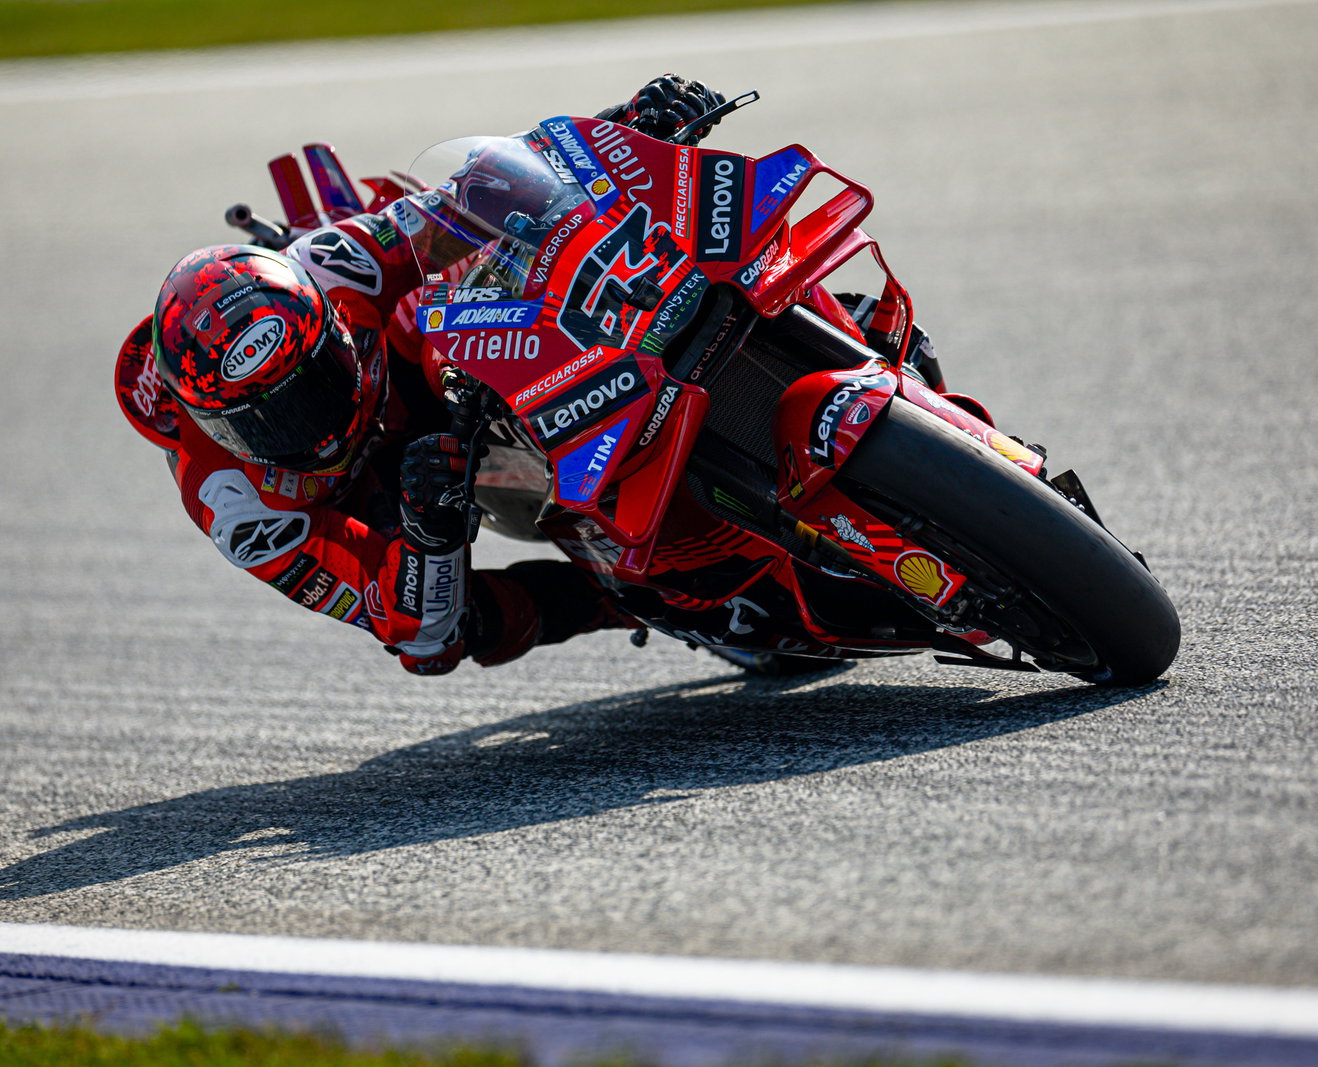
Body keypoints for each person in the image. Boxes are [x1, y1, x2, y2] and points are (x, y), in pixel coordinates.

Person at [114, 75, 943, 675]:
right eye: (271, 417)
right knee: (477, 622)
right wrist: (430, 535)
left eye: (316, 375)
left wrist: (626, 131)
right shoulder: (235, 502)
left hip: (448, 365)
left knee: (656, 253)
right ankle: (621, 595)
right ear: (212, 425)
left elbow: (458, 205)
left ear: (326, 319)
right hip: (413, 491)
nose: (313, 420)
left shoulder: (330, 267)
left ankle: (844, 342)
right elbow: (417, 637)